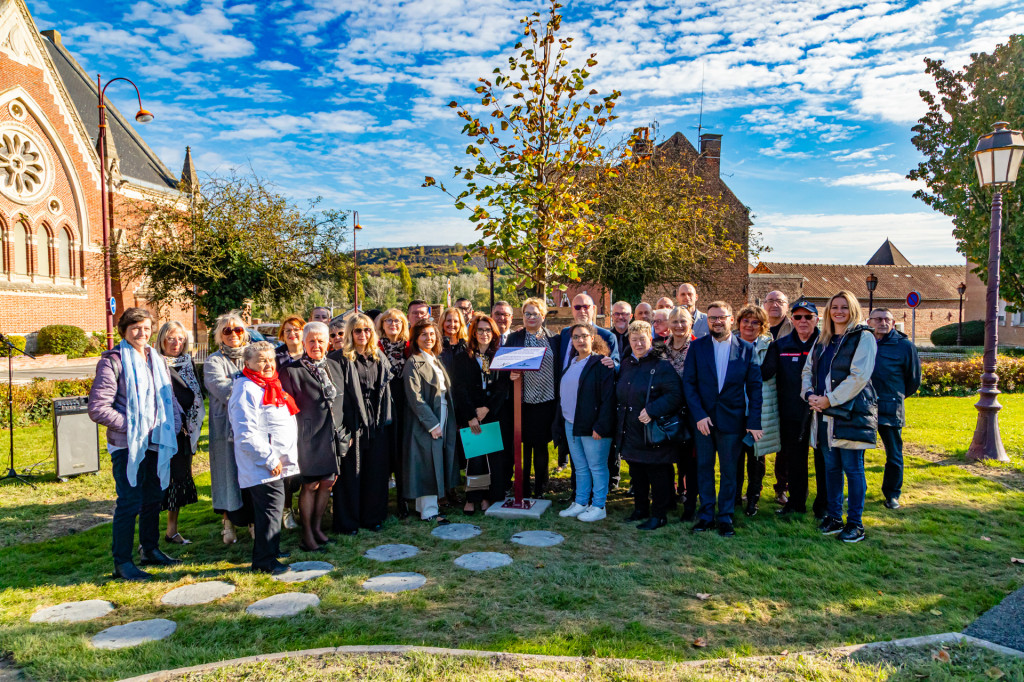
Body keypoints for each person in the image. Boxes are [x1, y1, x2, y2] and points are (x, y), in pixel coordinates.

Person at [89, 308, 182, 581]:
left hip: (157, 440)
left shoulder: (157, 359)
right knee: (130, 502)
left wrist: (173, 426)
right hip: (128, 445)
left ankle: (150, 550)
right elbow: (97, 408)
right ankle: (122, 562)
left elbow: (169, 398)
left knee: (153, 499)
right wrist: (133, 427)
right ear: (124, 331)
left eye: (146, 327)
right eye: (135, 328)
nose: (142, 333)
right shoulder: (112, 362)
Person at [802, 290, 878, 544]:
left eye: (845, 307)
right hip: (822, 415)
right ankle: (835, 517)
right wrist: (809, 395)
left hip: (850, 415)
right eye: (835, 306)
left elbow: (859, 376)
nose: (839, 311)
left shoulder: (862, 337)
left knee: (853, 469)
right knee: (831, 468)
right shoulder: (823, 339)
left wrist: (829, 400)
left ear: (853, 309)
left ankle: (855, 524)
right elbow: (808, 370)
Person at [682, 301, 763, 537]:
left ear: (731, 319)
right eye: (712, 318)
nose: (717, 321)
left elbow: (755, 389)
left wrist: (753, 422)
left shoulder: (747, 349)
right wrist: (699, 415)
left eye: (721, 317)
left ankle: (725, 516)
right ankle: (706, 515)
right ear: (708, 321)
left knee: (729, 471)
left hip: (732, 421)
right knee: (704, 468)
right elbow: (689, 384)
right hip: (703, 422)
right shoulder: (697, 348)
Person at [228, 341, 301, 574]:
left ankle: (272, 551)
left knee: (274, 511)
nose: (268, 364)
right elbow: (245, 433)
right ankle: (263, 563)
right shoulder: (245, 389)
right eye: (261, 360)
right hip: (264, 465)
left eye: (271, 359)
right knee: (270, 511)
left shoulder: (269, 385)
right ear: (247, 363)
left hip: (276, 463)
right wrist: (269, 459)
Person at [279, 321, 353, 550]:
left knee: (328, 483)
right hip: (308, 437)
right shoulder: (292, 371)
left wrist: (346, 431)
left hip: (333, 435)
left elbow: (344, 400)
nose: (316, 345)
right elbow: (285, 410)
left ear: (328, 342)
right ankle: (307, 533)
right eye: (311, 341)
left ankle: (318, 527)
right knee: (310, 485)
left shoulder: (335, 365)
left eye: (321, 341)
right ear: (303, 343)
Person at [616, 320, 684, 530]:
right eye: (634, 339)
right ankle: (640, 509)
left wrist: (653, 410)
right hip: (632, 430)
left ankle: (659, 514)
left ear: (650, 340)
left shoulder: (661, 365)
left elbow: (675, 394)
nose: (638, 343)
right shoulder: (627, 363)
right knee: (637, 472)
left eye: (642, 339)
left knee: (658, 474)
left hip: (652, 432)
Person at [763, 298, 823, 518]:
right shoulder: (780, 345)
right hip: (791, 413)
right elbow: (765, 372)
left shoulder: (826, 345)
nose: (803, 321)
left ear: (817, 319)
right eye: (798, 317)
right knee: (795, 461)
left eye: (808, 317)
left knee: (823, 460)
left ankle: (823, 506)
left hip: (822, 411)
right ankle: (796, 503)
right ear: (792, 319)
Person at [334, 313, 394, 531]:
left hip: (376, 421)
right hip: (352, 421)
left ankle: (372, 517)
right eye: (358, 330)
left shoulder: (378, 356)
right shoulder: (340, 358)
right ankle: (349, 521)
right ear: (350, 333)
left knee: (375, 471)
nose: (363, 334)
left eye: (367, 330)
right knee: (351, 473)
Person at [403, 319, 459, 523]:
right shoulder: (413, 362)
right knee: (427, 462)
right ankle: (429, 512)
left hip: (442, 411)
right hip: (426, 419)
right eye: (424, 334)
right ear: (416, 338)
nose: (429, 338)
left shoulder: (435, 359)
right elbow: (415, 398)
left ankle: (424, 507)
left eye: (432, 334)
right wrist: (432, 424)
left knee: (434, 459)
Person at [557, 323, 615, 522]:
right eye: (576, 337)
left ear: (592, 338)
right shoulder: (572, 363)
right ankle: (581, 502)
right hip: (571, 423)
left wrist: (601, 425)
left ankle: (599, 505)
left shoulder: (601, 364)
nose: (580, 340)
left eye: (584, 336)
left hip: (593, 426)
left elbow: (608, 398)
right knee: (580, 467)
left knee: (596, 466)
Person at [452, 314, 510, 513]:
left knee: (492, 458)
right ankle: (472, 497)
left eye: (488, 330)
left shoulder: (499, 356)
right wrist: (471, 415)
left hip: (493, 414)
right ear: (473, 333)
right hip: (471, 416)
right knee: (475, 458)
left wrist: (488, 409)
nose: (484, 334)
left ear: (493, 333)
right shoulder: (463, 357)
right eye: (480, 330)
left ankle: (488, 496)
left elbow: (502, 387)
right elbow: (459, 388)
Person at [506, 297, 561, 498]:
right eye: (527, 313)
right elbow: (505, 364)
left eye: (535, 314)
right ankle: (522, 488)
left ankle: (540, 488)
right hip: (523, 402)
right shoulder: (514, 338)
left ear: (543, 316)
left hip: (546, 401)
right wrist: (510, 374)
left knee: (540, 446)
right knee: (523, 446)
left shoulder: (554, 339)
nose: (530, 317)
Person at [557, 294, 618, 471]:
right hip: (568, 405)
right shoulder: (564, 335)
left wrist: (613, 363)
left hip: (593, 407)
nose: (582, 310)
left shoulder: (607, 335)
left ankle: (598, 495)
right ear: (572, 310)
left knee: (595, 461)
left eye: (586, 306)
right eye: (577, 307)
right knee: (578, 459)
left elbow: (615, 365)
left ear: (594, 309)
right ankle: (578, 494)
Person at [868, 307, 921, 510]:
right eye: (878, 319)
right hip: (864, 408)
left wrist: (895, 395)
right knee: (858, 453)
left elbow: (913, 380)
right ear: (869, 321)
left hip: (891, 408)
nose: (883, 323)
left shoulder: (905, 346)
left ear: (893, 323)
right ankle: (858, 491)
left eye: (887, 319)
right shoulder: (864, 343)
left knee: (894, 454)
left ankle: (892, 494)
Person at [205, 311, 250, 545]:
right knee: (226, 474)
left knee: (250, 473)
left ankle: (251, 521)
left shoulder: (251, 355)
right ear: (219, 335)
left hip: (251, 426)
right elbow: (223, 389)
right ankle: (227, 522)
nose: (233, 334)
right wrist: (250, 389)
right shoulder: (214, 361)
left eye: (238, 329)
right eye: (227, 330)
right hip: (224, 427)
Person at [156, 321, 203, 546]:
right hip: (161, 430)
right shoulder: (154, 363)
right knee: (157, 480)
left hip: (184, 430)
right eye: (171, 338)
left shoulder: (188, 362)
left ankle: (172, 530)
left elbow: (196, 395)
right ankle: (148, 535)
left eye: (181, 339)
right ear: (162, 340)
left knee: (179, 479)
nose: (176, 343)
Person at [733, 305, 781, 518]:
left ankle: (753, 498)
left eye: (755, 322)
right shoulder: (729, 343)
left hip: (758, 409)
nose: (749, 326)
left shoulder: (770, 346)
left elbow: (766, 372)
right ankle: (734, 497)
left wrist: (739, 372)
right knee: (734, 457)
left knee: (756, 456)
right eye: (746, 321)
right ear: (739, 323)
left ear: (762, 326)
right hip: (734, 409)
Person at [662, 306, 697, 520]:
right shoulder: (662, 348)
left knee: (690, 461)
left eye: (683, 321)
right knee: (667, 457)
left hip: (691, 412)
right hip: (668, 412)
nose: (679, 325)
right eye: (674, 321)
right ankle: (668, 498)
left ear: (690, 323)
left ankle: (691, 503)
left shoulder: (698, 347)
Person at [377, 308, 412, 518]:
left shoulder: (410, 347)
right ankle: (381, 500)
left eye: (397, 321)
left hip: (405, 404)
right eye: (388, 321)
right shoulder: (376, 347)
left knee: (402, 453)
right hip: (383, 403)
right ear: (382, 325)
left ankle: (403, 499)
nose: (393, 324)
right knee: (384, 453)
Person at [439, 306, 468, 374]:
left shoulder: (466, 346)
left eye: (456, 321)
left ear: (460, 324)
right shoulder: (436, 345)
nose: (452, 324)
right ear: (443, 323)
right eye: (448, 321)